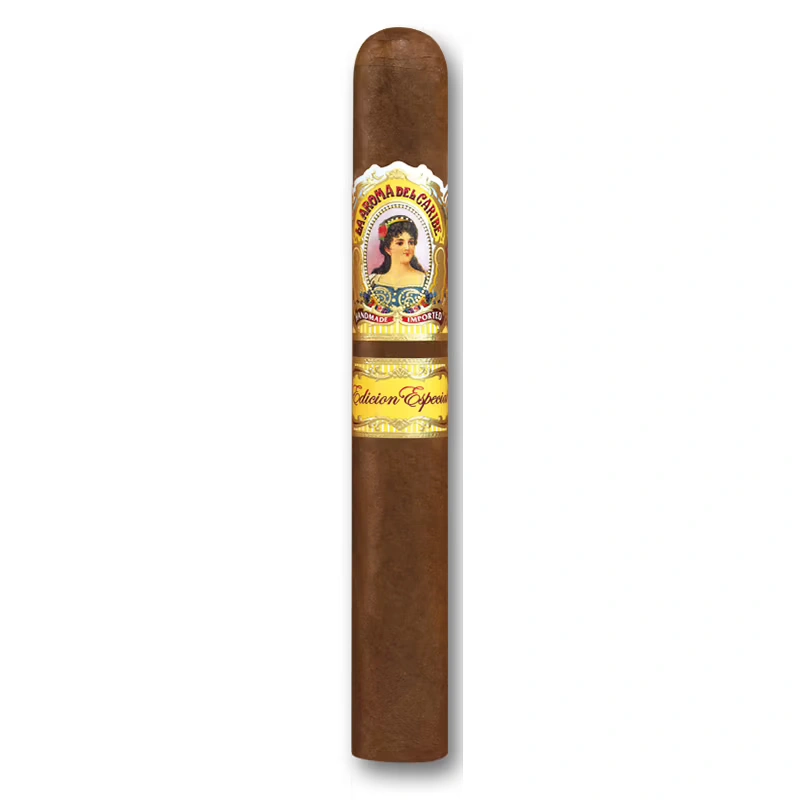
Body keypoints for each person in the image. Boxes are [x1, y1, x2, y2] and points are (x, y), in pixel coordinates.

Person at [367, 216, 430, 311]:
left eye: (411, 242)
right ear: (387, 249)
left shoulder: (425, 280)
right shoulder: (374, 280)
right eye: (400, 243)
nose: (407, 248)